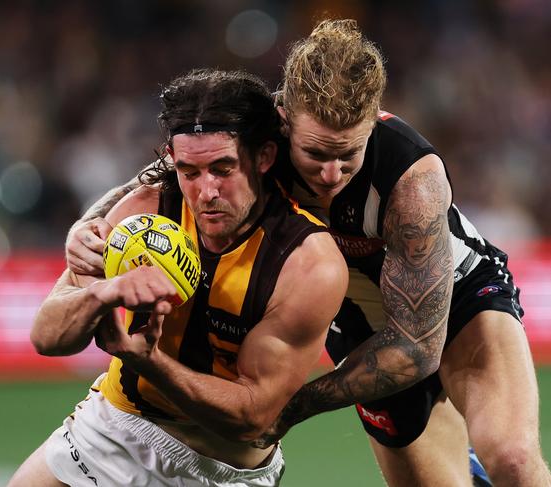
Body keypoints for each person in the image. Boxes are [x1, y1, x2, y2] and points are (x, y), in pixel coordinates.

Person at [66, 20, 551, 487]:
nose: (332, 175)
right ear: (283, 123)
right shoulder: (251, 132)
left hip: (457, 298)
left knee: (511, 457)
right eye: (316, 154)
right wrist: (87, 226)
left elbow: (417, 347)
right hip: (358, 322)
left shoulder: (413, 180)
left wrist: (290, 406)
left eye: (349, 155)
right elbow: (159, 172)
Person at [8, 69, 347, 487]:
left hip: (222, 472)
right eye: (189, 171)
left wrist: (146, 360)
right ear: (171, 158)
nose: (206, 192)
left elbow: (252, 416)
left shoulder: (307, 262)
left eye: (223, 169)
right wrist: (102, 294)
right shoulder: (141, 215)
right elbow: (47, 337)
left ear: (263, 156)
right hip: (114, 429)